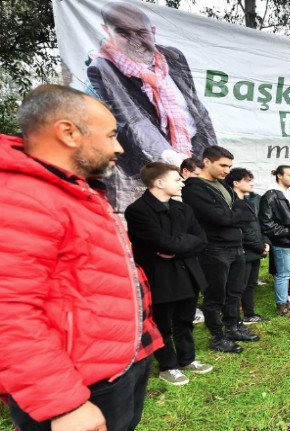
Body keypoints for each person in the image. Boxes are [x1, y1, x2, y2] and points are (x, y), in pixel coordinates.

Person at [0, 84, 181, 431]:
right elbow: (8, 312)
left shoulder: (71, 190)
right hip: (78, 380)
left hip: (111, 365)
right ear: (68, 132)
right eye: (113, 134)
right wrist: (62, 403)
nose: (120, 148)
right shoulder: (22, 198)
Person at [87, 1, 217, 211]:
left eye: (141, 32)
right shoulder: (102, 67)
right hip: (149, 167)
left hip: (192, 157)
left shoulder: (174, 57)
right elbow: (133, 121)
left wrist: (210, 159)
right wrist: (174, 160)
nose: (135, 41)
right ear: (106, 31)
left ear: (153, 32)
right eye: (123, 33)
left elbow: (196, 109)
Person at [125, 162, 213, 387]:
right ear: (159, 182)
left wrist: (174, 248)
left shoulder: (183, 208)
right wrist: (177, 245)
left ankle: (187, 359)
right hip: (160, 277)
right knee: (162, 324)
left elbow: (201, 239)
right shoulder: (138, 211)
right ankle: (168, 366)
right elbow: (162, 242)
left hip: (188, 274)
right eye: (177, 179)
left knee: (185, 320)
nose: (182, 182)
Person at [183, 145, 256, 353]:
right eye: (223, 165)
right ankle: (217, 336)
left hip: (235, 246)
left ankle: (233, 327)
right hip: (214, 249)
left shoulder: (223, 185)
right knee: (215, 295)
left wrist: (234, 216)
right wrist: (235, 216)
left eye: (230, 166)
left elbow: (246, 210)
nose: (227, 170)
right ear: (207, 161)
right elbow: (221, 218)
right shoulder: (194, 188)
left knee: (235, 291)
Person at [225, 168, 270, 324]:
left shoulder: (247, 202)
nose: (251, 183)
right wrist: (260, 246)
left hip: (255, 250)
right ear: (236, 183)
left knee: (250, 285)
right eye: (248, 180)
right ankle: (234, 320)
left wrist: (265, 242)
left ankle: (249, 314)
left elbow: (256, 226)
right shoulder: (233, 204)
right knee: (238, 287)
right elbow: (244, 230)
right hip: (244, 252)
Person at [260, 165, 290, 316]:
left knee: (287, 273)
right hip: (282, 242)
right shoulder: (271, 195)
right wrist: (289, 234)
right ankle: (281, 307)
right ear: (279, 176)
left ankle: (285, 303)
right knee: (283, 274)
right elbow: (266, 223)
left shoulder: (288, 194)